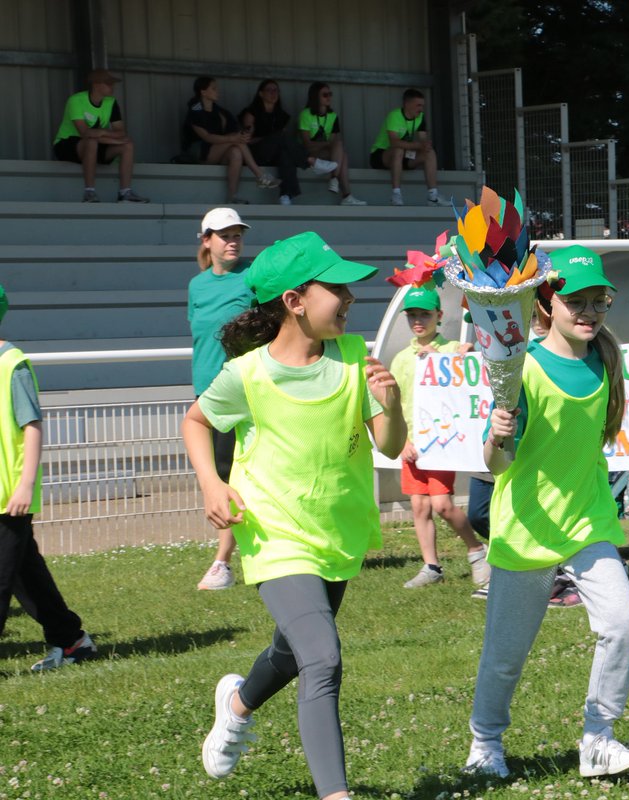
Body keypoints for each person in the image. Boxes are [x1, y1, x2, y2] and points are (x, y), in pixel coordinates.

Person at [182, 232, 405, 800]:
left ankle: (235, 705)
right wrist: (212, 483)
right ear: (294, 301)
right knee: (322, 660)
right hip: (274, 533)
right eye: (336, 287)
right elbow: (197, 422)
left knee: (291, 650)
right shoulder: (248, 374)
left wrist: (393, 404)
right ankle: (337, 794)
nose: (350, 296)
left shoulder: (356, 357)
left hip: (337, 530)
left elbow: (389, 445)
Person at [464, 245, 629, 780]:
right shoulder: (523, 370)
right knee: (505, 655)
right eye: (577, 302)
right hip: (526, 529)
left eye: (600, 301)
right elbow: (497, 465)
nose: (589, 311)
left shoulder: (606, 361)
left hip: (587, 521)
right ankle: (485, 743)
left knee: (624, 620)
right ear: (546, 305)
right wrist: (497, 436)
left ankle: (599, 738)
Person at [0, 285, 99, 672]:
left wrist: (25, 484)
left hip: (9, 494)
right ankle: (71, 640)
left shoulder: (12, 363)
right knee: (27, 576)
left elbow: (31, 425)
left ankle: (70, 639)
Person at [388, 286, 489, 590]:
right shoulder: (401, 358)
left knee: (443, 504)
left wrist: (458, 356)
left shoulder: (451, 348)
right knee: (418, 506)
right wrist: (402, 440)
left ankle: (475, 550)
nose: (418, 320)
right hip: (413, 443)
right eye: (412, 315)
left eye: (425, 314)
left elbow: (469, 376)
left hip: (442, 441)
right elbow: (397, 403)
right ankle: (431, 565)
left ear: (439, 316)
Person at [190, 208, 255, 591]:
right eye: (224, 235)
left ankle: (222, 562)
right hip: (206, 391)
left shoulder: (253, 277)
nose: (233, 241)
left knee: (232, 472)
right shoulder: (196, 286)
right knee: (220, 472)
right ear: (207, 241)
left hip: (244, 390)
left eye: (237, 235)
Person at [51, 68, 149, 203]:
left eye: (112, 83)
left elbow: (121, 132)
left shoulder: (111, 102)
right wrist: (112, 138)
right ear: (96, 85)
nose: (112, 86)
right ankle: (89, 192)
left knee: (128, 145)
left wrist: (103, 132)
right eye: (108, 83)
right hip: (67, 144)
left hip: (97, 143)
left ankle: (125, 193)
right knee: (92, 141)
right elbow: (85, 133)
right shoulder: (76, 100)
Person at [239, 79, 338, 206]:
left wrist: (276, 139)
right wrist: (270, 139)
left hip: (274, 155)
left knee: (285, 154)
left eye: (276, 90)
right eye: (269, 90)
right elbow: (246, 140)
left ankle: (285, 195)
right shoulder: (251, 113)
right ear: (261, 94)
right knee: (280, 137)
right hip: (256, 153)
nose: (273, 93)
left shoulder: (281, 115)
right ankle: (311, 161)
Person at [185, 76, 280, 205]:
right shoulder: (195, 111)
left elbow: (234, 132)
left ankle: (232, 197)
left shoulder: (221, 112)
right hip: (199, 152)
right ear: (203, 92)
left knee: (236, 152)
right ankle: (260, 175)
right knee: (235, 142)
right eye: (213, 88)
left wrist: (244, 134)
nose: (217, 91)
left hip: (220, 151)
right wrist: (234, 138)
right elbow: (207, 137)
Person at [369, 88, 451, 207]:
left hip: (404, 154)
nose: (421, 109)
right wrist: (418, 145)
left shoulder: (420, 117)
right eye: (418, 105)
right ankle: (396, 194)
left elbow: (422, 138)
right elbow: (394, 142)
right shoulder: (394, 115)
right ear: (407, 104)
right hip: (381, 155)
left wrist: (425, 145)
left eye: (422, 106)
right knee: (398, 149)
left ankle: (433, 196)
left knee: (429, 152)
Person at [298, 82, 366, 207]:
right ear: (315, 97)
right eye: (325, 95)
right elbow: (307, 144)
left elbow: (333, 143)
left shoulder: (333, 116)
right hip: (309, 153)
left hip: (325, 154)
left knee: (340, 148)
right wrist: (326, 143)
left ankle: (335, 179)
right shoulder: (305, 114)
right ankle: (346, 194)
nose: (329, 97)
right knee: (341, 154)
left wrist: (327, 144)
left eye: (330, 94)